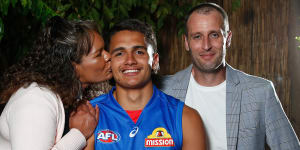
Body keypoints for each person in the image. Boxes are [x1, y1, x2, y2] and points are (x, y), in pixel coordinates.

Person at [160, 2, 300, 150]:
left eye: (214, 35)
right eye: (197, 36)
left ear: (228, 38)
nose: (206, 45)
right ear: (186, 42)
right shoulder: (163, 90)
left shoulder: (261, 92)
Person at [86, 19, 206, 150]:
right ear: (110, 62)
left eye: (139, 52)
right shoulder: (89, 115)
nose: (130, 61)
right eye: (120, 53)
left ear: (155, 61)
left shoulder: (186, 119)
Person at [0, 16, 112, 150]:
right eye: (99, 54)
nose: (108, 56)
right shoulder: (36, 100)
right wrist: (79, 134)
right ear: (73, 66)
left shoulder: (73, 96)